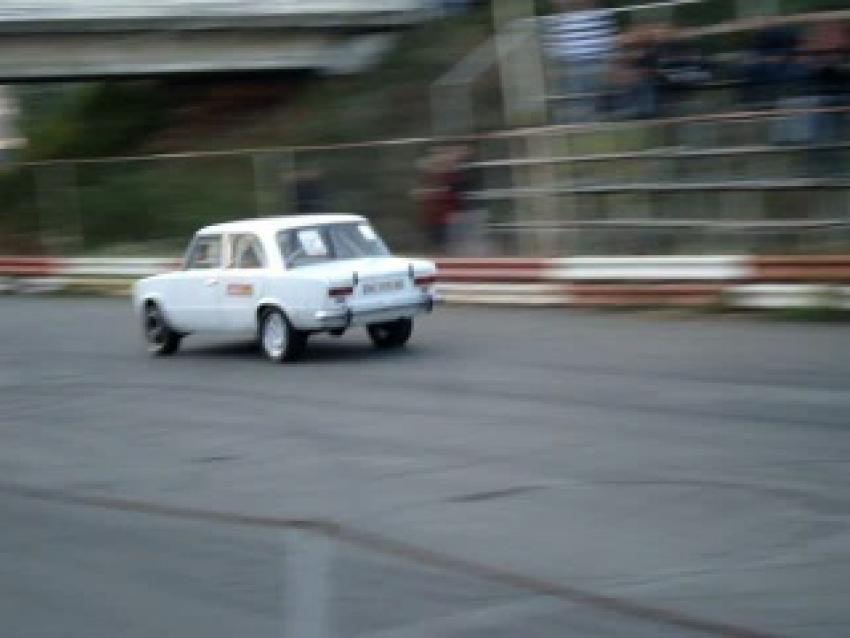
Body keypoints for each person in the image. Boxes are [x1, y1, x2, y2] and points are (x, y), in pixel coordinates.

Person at [544, 0, 618, 123]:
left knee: (587, 97)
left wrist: (609, 61)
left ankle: (583, 122)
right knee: (574, 97)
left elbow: (608, 42)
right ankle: (574, 122)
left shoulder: (598, 15)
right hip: (570, 63)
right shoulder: (560, 20)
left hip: (593, 61)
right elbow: (553, 46)